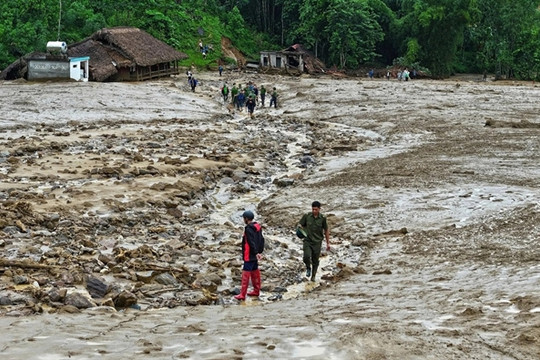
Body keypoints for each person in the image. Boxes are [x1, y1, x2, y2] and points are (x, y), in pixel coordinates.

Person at [234, 210, 265, 300]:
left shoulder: (248, 229)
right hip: (255, 254)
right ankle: (256, 290)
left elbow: (250, 242)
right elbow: (262, 240)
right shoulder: (258, 226)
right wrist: (259, 252)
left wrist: (255, 253)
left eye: (244, 218)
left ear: (246, 219)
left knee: (246, 274)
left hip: (249, 254)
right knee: (255, 272)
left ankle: (242, 294)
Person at [297, 201, 330, 282]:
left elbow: (326, 230)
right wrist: (300, 230)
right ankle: (308, 267)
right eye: (313, 209)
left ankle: (313, 276)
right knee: (306, 257)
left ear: (319, 209)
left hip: (317, 242)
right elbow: (300, 225)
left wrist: (328, 243)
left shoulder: (323, 218)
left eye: (316, 209)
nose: (314, 211)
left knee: (315, 260)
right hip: (307, 240)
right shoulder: (307, 216)